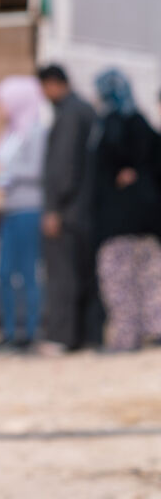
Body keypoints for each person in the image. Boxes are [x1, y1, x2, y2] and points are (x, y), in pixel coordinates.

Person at [91, 68, 161, 352]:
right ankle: (155, 331)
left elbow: (103, 169)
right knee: (151, 280)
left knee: (119, 281)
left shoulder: (110, 125)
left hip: (117, 222)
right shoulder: (144, 125)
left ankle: (126, 338)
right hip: (150, 221)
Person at [37, 64, 98, 354]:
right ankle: (86, 335)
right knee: (82, 273)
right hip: (86, 209)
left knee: (62, 275)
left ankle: (62, 336)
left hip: (67, 211)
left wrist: (53, 209)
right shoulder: (86, 110)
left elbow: (63, 167)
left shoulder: (70, 115)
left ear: (53, 84)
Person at [0, 76, 49, 353]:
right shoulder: (10, 133)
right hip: (8, 209)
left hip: (28, 208)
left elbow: (36, 171)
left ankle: (30, 332)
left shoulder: (36, 132)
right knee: (3, 273)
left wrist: (1, 173)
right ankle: (9, 331)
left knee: (27, 273)